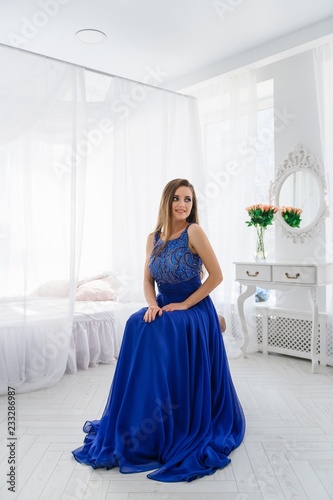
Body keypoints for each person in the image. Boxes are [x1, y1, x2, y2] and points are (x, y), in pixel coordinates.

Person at [72, 178, 245, 482]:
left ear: (193, 205)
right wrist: (152, 305)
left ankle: (172, 415)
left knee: (162, 329)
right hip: (164, 304)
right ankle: (138, 418)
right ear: (166, 202)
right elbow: (147, 281)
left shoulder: (194, 232)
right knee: (136, 323)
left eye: (188, 200)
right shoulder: (153, 238)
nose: (182, 205)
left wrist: (185, 305)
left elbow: (216, 277)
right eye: (177, 199)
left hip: (193, 306)